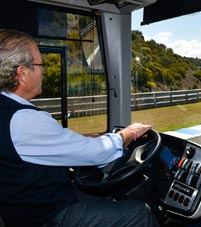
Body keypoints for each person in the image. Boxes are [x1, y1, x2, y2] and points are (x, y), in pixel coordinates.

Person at [0, 29, 158, 227]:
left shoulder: (8, 110)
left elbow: (47, 142)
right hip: (48, 217)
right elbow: (96, 153)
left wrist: (87, 139)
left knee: (104, 194)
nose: (43, 71)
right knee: (139, 214)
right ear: (23, 73)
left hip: (28, 207)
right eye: (40, 65)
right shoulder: (24, 120)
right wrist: (129, 133)